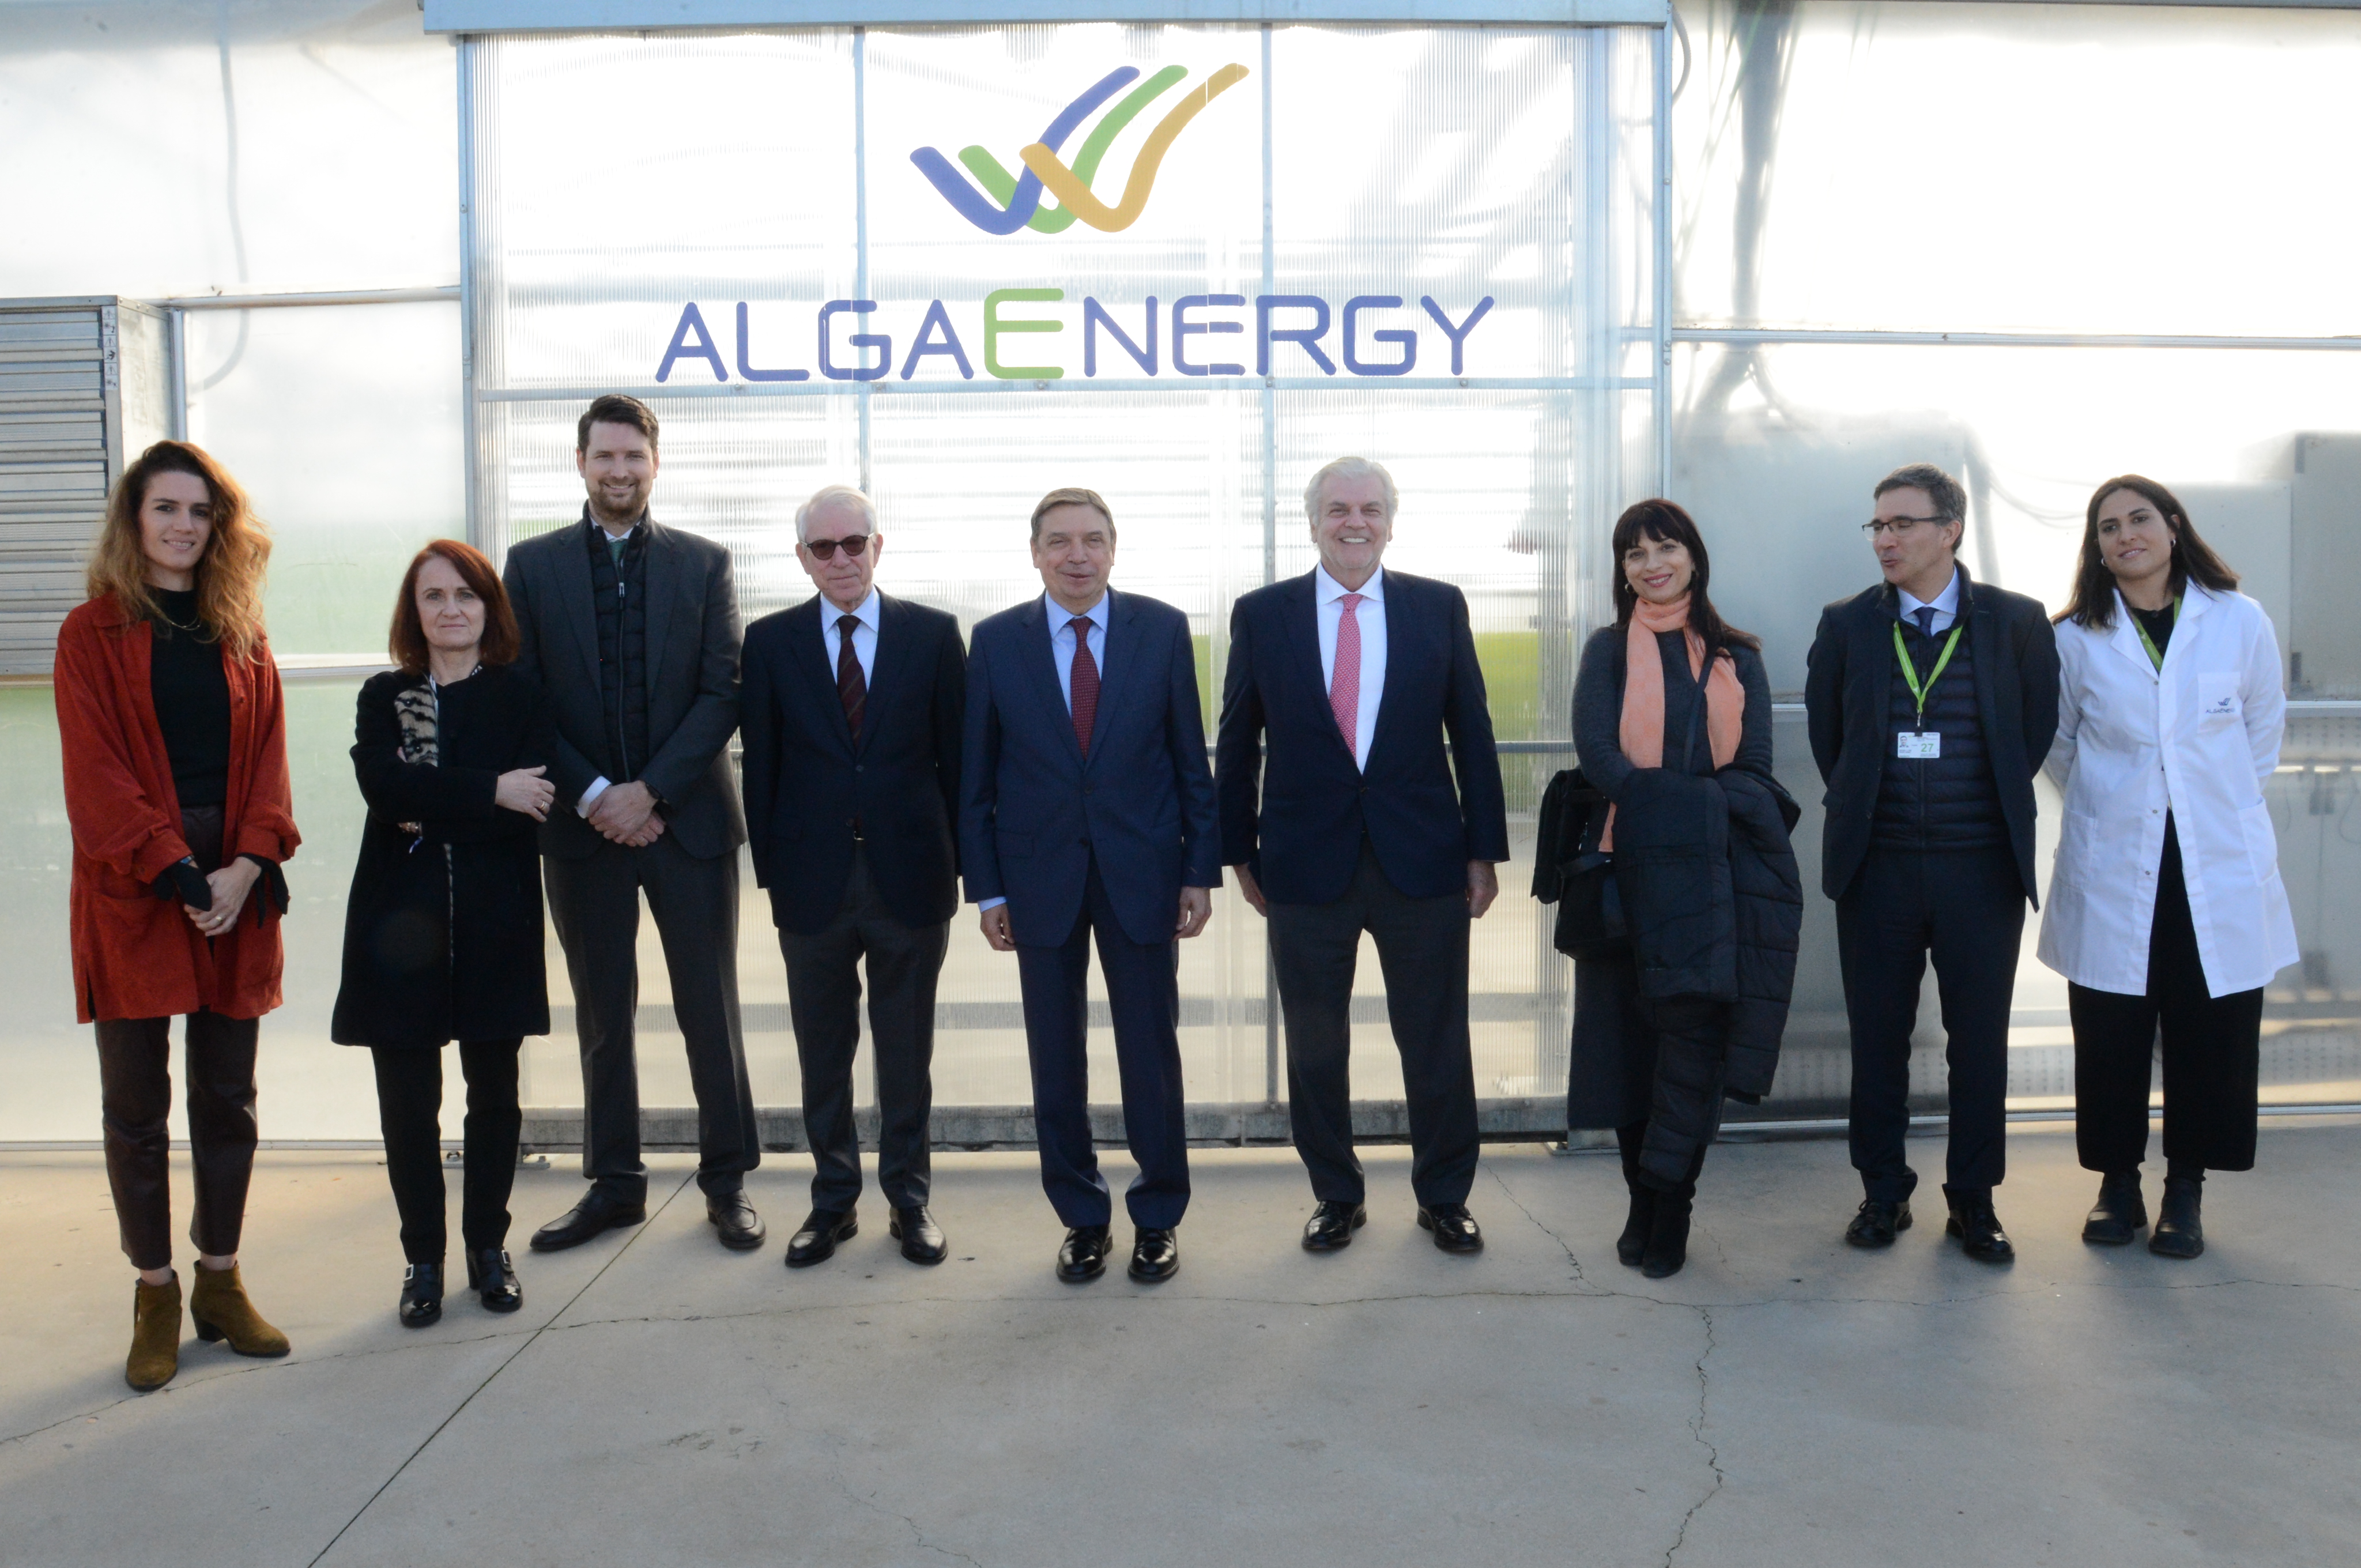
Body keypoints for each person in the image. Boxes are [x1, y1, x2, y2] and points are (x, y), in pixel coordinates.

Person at [1216, 456, 1509, 1255]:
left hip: (1424, 861)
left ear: (1390, 521)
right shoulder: (1264, 614)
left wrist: (1483, 852)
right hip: (1303, 866)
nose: (1355, 522)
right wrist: (1238, 853)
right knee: (1315, 1044)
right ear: (1314, 522)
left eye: (1370, 509)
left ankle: (1445, 1196)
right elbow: (1237, 742)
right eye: (1339, 509)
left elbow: (1472, 734)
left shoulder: (1437, 606)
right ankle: (1336, 1195)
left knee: (1436, 1039)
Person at [55, 440, 297, 1391]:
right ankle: (155, 1292)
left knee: (228, 1096)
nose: (184, 526)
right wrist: (180, 872)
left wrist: (245, 866)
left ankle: (220, 1280)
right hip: (137, 887)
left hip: (234, 883)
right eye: (166, 509)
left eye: (201, 512)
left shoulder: (243, 633)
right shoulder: (91, 634)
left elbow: (271, 760)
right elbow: (96, 776)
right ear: (134, 520)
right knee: (136, 1107)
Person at [502, 394, 763, 1254]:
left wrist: (648, 792)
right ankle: (614, 1185)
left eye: (634, 457)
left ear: (656, 464)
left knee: (709, 1009)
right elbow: (524, 697)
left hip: (687, 823)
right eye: (605, 456)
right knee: (603, 1013)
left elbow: (724, 689)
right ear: (580, 463)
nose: (620, 471)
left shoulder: (706, 563)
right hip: (582, 832)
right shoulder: (531, 566)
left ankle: (727, 1182)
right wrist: (594, 797)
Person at [960, 487, 1220, 1284]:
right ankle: (1081, 1217)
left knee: (1151, 1054)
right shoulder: (996, 642)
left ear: (1114, 547)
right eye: (1060, 541)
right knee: (1055, 1057)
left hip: (1143, 875)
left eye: (1093, 539)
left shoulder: (1162, 630)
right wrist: (988, 891)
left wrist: (1198, 871)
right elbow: (975, 778)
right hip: (1037, 879)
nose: (1078, 555)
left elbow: (1190, 761)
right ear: (1035, 552)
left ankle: (1157, 1215)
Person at [1805, 462, 2059, 1262]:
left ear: (1950, 530)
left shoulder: (2016, 623)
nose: (1885, 539)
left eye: (1902, 524)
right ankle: (1884, 1194)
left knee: (1978, 1042)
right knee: (1878, 1039)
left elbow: (2032, 734)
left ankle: (1974, 1200)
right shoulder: (1847, 624)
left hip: (1980, 870)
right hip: (1877, 868)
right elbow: (1830, 740)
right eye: (1878, 525)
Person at [2038, 476, 2295, 1259]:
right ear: (2097, 548)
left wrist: (2209, 801)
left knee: (2209, 1030)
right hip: (2116, 857)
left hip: (2213, 860)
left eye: (2140, 519)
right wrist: (2119, 801)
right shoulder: (2074, 637)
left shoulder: (2238, 620)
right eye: (2108, 527)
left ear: (2174, 527)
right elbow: (2059, 743)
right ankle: (2118, 1185)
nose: (2126, 536)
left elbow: (2262, 729)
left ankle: (2186, 1188)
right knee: (2111, 1029)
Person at [1567, 500, 1799, 1279]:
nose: (1651, 564)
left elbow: (1754, 769)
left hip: (1712, 885)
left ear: (1693, 557)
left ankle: (1675, 1209)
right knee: (1630, 1055)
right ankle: (1641, 1201)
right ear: (1622, 570)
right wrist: (1681, 809)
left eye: (1665, 547)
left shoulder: (1740, 656)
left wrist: (1676, 813)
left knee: (1692, 1052)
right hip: (1625, 880)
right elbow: (1599, 756)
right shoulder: (1607, 650)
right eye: (1634, 553)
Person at [741, 485, 965, 1269]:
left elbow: (959, 761)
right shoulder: (769, 643)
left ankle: (910, 1200)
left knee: (906, 1052)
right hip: (813, 885)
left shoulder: (932, 635)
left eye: (853, 543)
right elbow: (761, 767)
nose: (840, 558)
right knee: (822, 1052)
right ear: (803, 558)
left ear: (878, 545)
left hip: (911, 878)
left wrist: (966, 869)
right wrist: (774, 876)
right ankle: (833, 1201)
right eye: (823, 547)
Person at [333, 541, 555, 1325]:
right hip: (399, 930)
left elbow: (532, 802)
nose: (451, 609)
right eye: (434, 596)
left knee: (494, 1097)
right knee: (408, 1105)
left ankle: (488, 1251)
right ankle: (422, 1260)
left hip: (497, 924)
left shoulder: (521, 694)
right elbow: (385, 791)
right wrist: (490, 788)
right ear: (414, 611)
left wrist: (440, 800)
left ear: (490, 607)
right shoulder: (385, 695)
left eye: (466, 594)